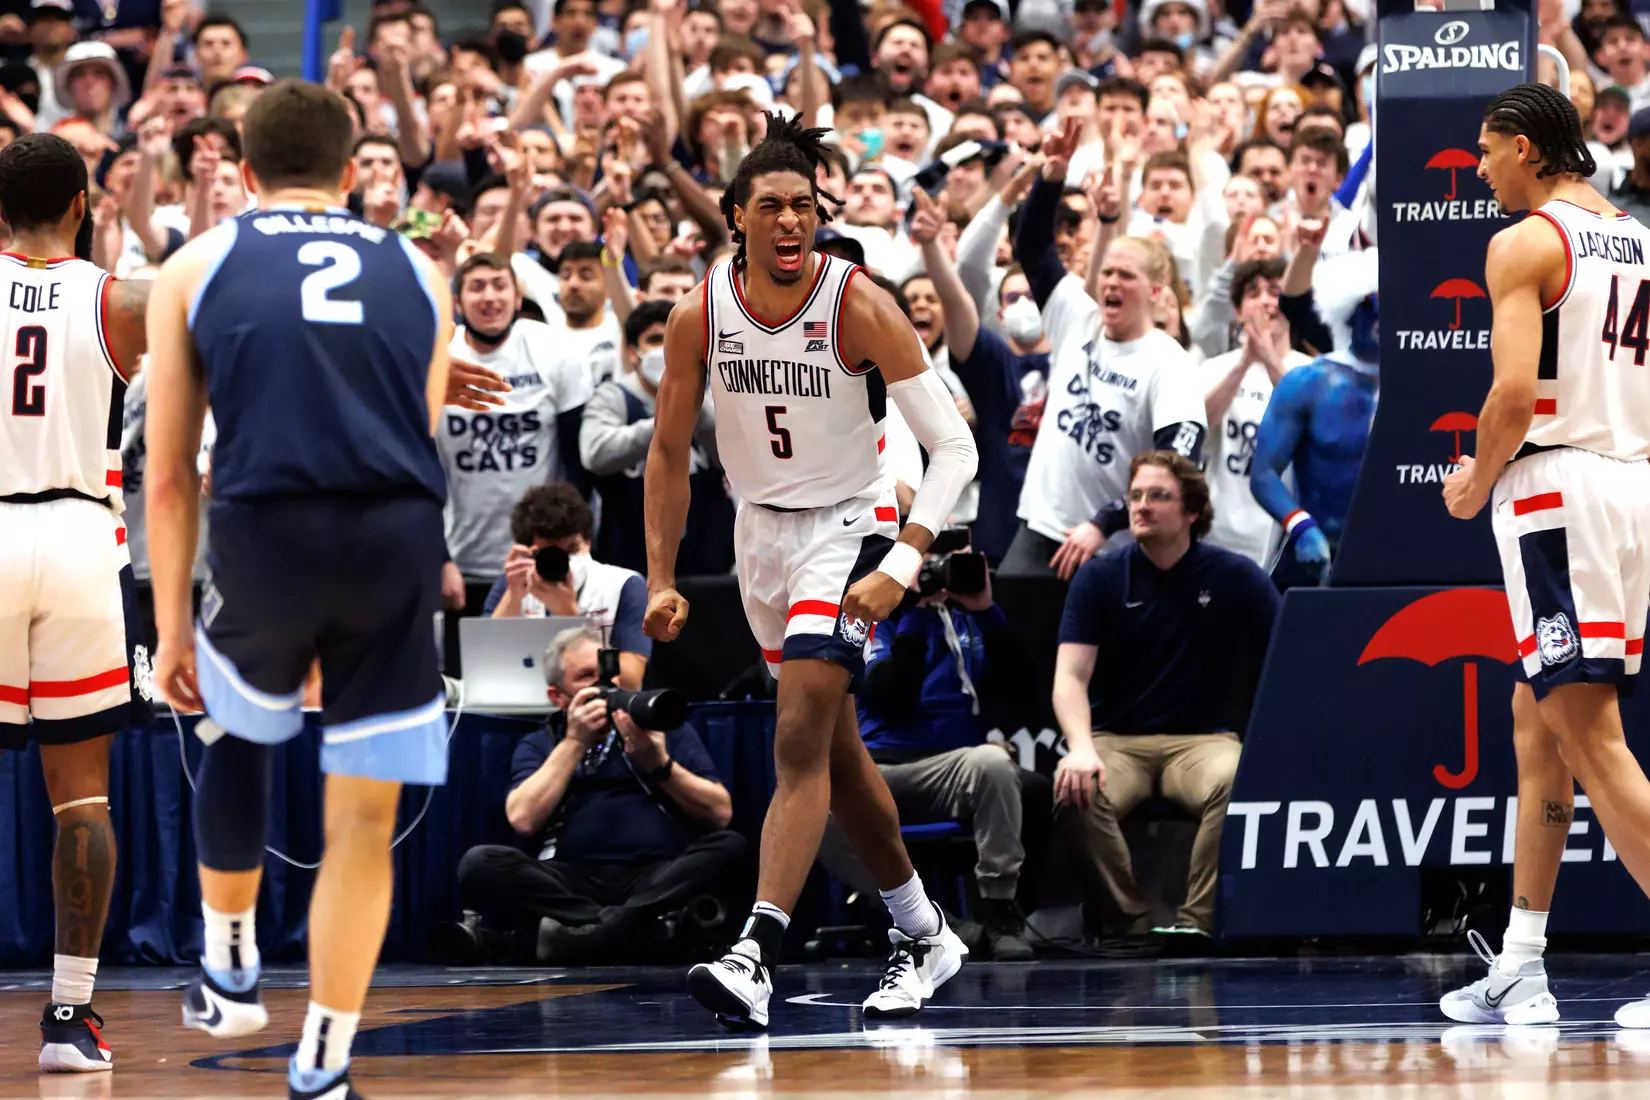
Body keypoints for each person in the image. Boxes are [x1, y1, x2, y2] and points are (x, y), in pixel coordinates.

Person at [145, 81, 457, 1100]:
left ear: (241, 166)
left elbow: (169, 470)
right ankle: (323, 1055)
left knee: (236, 724)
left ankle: (230, 950)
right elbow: (420, 415)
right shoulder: (421, 268)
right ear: (353, 165)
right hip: (395, 534)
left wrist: (170, 624)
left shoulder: (195, 262)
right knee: (362, 819)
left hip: (267, 526)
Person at [644, 113, 979, 1028]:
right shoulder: (699, 314)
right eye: (772, 207)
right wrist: (663, 575)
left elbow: (954, 446)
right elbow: (668, 454)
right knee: (832, 746)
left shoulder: (858, 303)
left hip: (853, 521)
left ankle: (757, 952)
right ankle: (924, 930)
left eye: (804, 205)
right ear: (736, 220)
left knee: (796, 734)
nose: (791, 221)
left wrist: (906, 558)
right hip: (761, 535)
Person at [1440, 82, 1650, 1030]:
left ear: (1525, 148)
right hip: (1633, 483)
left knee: (1593, 740)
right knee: (1541, 730)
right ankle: (1522, 961)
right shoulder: (1642, 239)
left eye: (1486, 153)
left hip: (1560, 489)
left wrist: (1476, 479)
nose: (1479, 171)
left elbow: (1513, 395)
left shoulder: (1526, 240)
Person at [0, 133, 153, 1072]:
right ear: (84, 203)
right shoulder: (119, 298)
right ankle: (68, 1020)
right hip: (81, 536)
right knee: (81, 797)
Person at [1052, 452, 1280, 942]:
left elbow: (1287, 656)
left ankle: (1198, 924)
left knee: (1240, 780)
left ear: (1192, 511)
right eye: (1135, 496)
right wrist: (1081, 746)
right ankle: (1132, 924)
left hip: (1203, 742)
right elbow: (1070, 676)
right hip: (1116, 742)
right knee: (1075, 789)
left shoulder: (1235, 575)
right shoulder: (1100, 577)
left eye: (1159, 496)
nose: (1142, 506)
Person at [454, 626, 744, 963]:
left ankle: (593, 932)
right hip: (571, 880)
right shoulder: (542, 742)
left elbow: (719, 813)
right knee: (480, 863)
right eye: (587, 677)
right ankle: (628, 927)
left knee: (731, 847)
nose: (606, 686)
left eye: (610, 674)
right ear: (557, 696)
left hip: (653, 876)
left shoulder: (660, 727)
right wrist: (575, 743)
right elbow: (523, 819)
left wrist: (658, 763)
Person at [817, 541, 1048, 961]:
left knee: (995, 763)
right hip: (880, 769)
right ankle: (921, 916)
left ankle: (999, 912)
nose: (937, 574)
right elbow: (893, 699)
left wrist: (985, 611)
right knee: (818, 798)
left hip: (952, 769)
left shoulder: (968, 618)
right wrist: (915, 615)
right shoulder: (868, 616)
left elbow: (1026, 691)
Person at [1001, 118, 1207, 581]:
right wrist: (1052, 174)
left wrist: (1106, 520)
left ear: (1156, 292)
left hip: (1117, 545)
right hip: (1041, 528)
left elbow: (1181, 459)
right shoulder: (1079, 316)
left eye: (1126, 276)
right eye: (1108, 272)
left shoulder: (1168, 361)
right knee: (1016, 646)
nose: (1111, 282)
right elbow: (1033, 247)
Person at [439, 252, 591, 581]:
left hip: (545, 553)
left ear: (518, 297)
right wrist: (438, 556)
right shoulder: (439, 356)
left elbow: (576, 461)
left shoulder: (553, 348)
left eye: (499, 285)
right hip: (461, 553)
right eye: (477, 287)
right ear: (458, 302)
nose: (490, 296)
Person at [580, 299, 734, 577]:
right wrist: (667, 420)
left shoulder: (712, 394)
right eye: (654, 339)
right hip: (629, 553)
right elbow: (595, 454)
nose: (665, 349)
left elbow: (735, 459)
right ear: (632, 352)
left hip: (707, 556)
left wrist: (698, 408)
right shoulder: (614, 397)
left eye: (673, 339)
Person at [484, 482, 652, 690]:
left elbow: (630, 680)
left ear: (588, 542)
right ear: (527, 552)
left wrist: (571, 619)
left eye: (573, 549)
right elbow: (484, 665)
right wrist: (513, 595)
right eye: (551, 554)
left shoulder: (624, 585)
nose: (564, 562)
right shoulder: (511, 584)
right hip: (519, 706)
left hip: (597, 707)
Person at [1200, 258, 1310, 568]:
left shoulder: (1311, 371)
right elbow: (1196, 429)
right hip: (1219, 534)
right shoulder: (1214, 368)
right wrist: (1245, 363)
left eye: (1275, 292)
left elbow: (1313, 433)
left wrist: (1270, 361)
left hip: (1284, 536)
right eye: (1253, 293)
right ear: (1237, 311)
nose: (1265, 301)